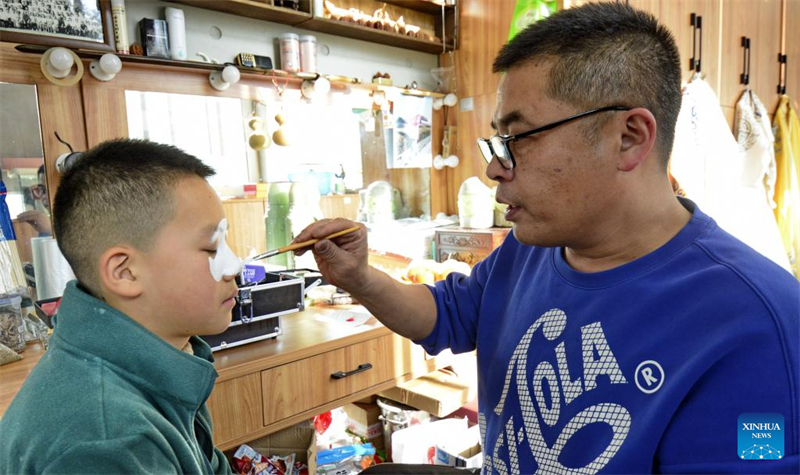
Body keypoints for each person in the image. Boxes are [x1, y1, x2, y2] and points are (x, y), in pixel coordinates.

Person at [294, 3, 800, 474]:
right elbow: (447, 314)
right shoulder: (529, 249)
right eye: (497, 141)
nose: (494, 167)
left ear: (629, 138)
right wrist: (358, 278)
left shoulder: (756, 322)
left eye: (517, 139)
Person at [0, 139, 241, 474]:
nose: (235, 266)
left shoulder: (171, 362)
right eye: (212, 248)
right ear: (124, 273)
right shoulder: (107, 440)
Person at [16, 165, 52, 236]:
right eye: (42, 190)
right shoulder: (43, 228)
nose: (45, 197)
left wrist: (50, 230)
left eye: (52, 189)